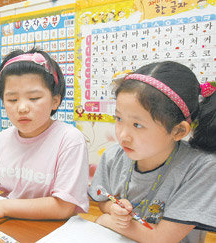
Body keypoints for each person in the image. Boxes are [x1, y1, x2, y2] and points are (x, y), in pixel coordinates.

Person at [0, 49, 89, 221]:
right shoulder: (1, 140)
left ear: (55, 101)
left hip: (52, 228)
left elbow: (63, 207)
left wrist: (2, 206)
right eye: (12, 100)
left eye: (34, 98)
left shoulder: (70, 140)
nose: (22, 108)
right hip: (9, 222)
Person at [88, 61, 216, 242]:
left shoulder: (202, 168)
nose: (123, 135)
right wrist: (112, 210)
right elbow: (102, 200)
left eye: (137, 125)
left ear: (178, 131)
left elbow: (161, 238)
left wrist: (106, 220)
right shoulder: (113, 156)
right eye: (118, 118)